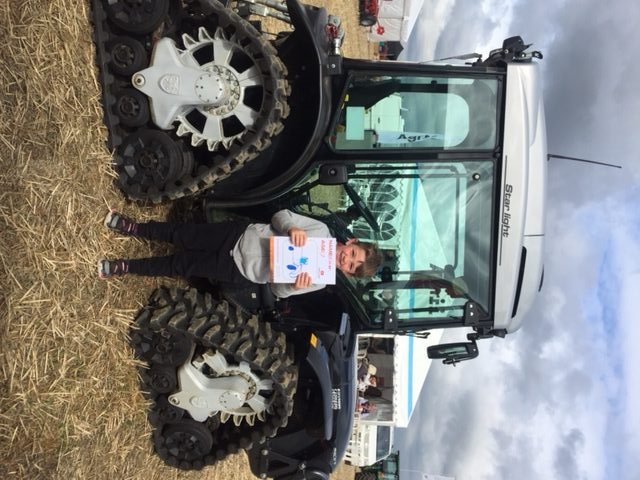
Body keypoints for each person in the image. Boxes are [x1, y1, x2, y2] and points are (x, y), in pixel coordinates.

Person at [98, 209, 382, 298]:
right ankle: (134, 227)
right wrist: (292, 227)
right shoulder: (320, 230)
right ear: (352, 242)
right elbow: (280, 215)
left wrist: (293, 286)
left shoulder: (318, 280)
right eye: (353, 254)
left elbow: (277, 290)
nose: (347, 259)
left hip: (239, 270)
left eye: (352, 266)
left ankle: (126, 266)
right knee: (181, 233)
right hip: (240, 236)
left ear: (347, 273)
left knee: (181, 265)